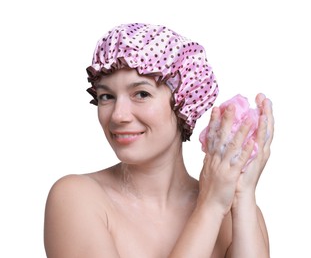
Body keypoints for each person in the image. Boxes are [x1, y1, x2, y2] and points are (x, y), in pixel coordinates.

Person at [44, 23, 274, 258]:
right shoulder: (77, 199)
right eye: (106, 96)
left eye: (141, 94)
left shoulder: (236, 213)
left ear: (183, 104)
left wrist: (242, 195)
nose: (118, 115)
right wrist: (210, 207)